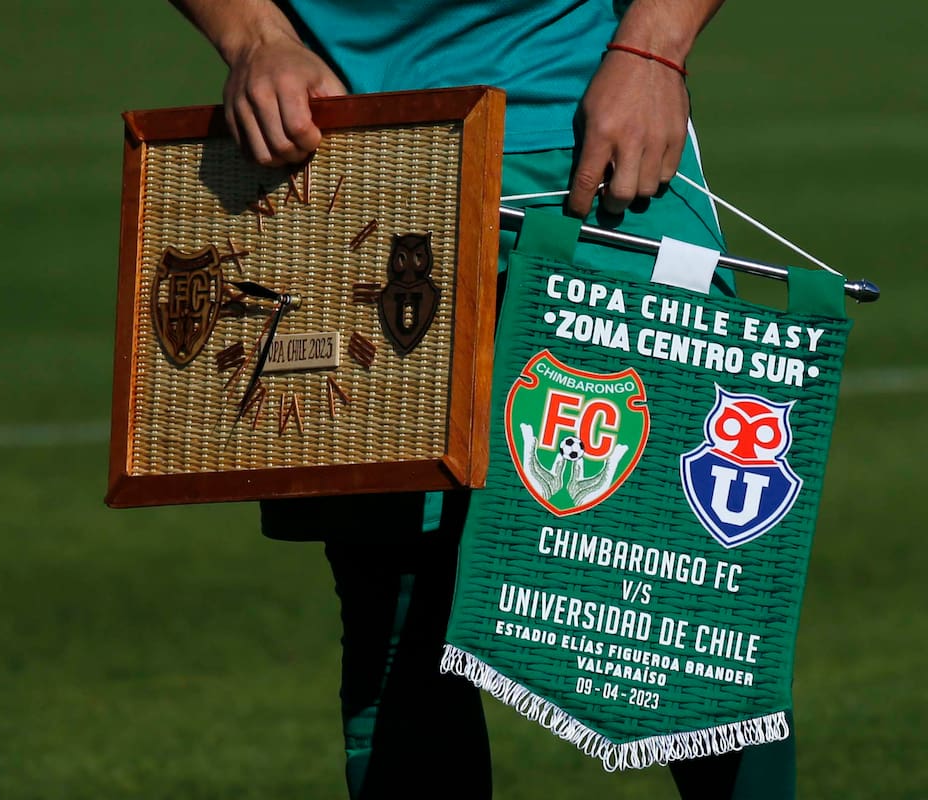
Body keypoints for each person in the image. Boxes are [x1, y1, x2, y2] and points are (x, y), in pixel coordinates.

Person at [170, 1, 796, 797]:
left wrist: (655, 47)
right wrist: (255, 36)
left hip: (590, 140)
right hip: (352, 157)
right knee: (399, 629)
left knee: (688, 629)